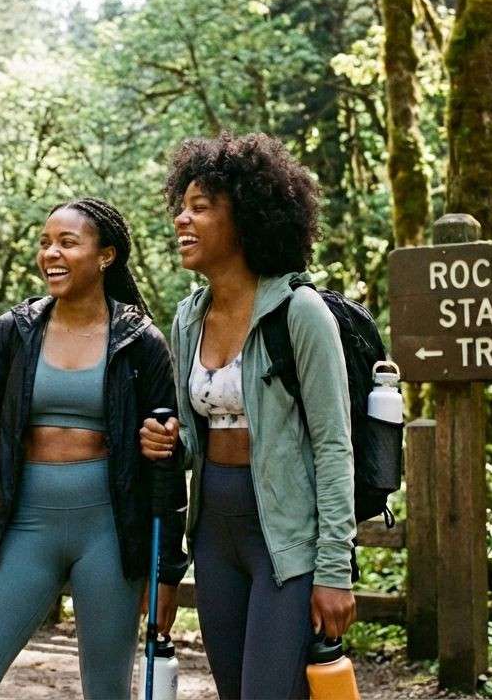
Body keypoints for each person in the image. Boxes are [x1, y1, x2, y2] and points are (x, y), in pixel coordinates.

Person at [0, 197, 186, 700]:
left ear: (105, 255)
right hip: (26, 526)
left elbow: (165, 464)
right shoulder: (13, 332)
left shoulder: (141, 342)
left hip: (109, 534)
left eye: (68, 242)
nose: (51, 254)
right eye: (45, 243)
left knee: (108, 693)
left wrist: (167, 571)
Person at [140, 133, 357, 699]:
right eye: (181, 207)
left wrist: (335, 569)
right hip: (214, 534)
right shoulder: (189, 317)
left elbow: (334, 446)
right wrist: (168, 440)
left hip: (284, 538)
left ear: (244, 217)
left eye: (201, 208)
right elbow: (194, 436)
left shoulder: (300, 313)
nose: (182, 220)